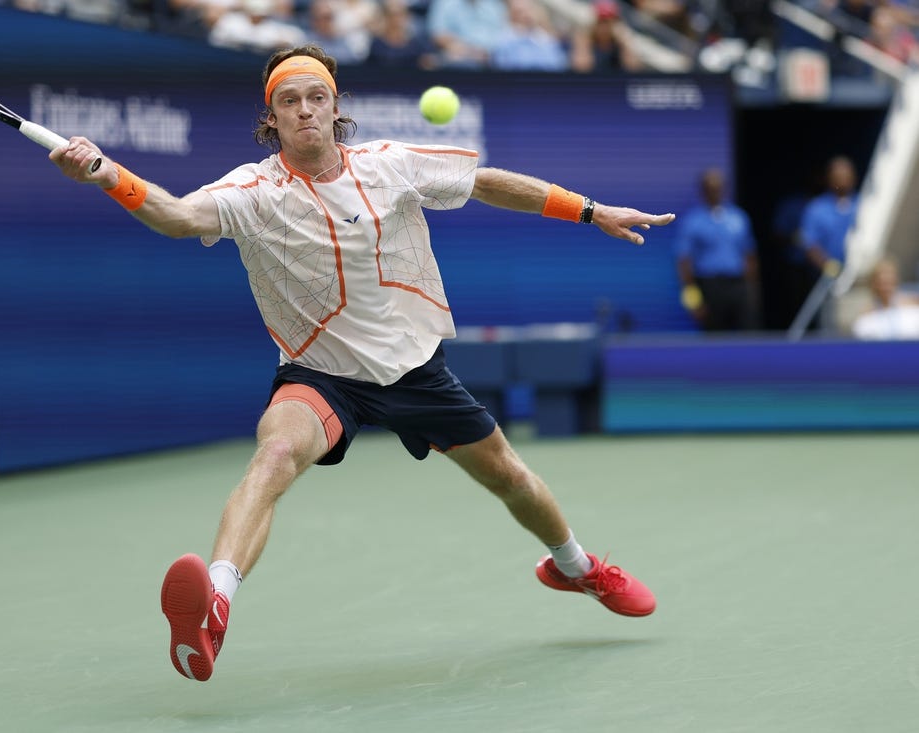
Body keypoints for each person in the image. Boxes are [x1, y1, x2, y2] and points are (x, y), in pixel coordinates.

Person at [50, 44, 674, 681]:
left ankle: (576, 568)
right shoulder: (252, 190)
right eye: (288, 101)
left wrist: (591, 211)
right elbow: (178, 216)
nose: (304, 111)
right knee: (273, 457)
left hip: (413, 369)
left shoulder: (388, 165)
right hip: (320, 374)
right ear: (272, 118)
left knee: (510, 477)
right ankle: (214, 603)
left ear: (334, 105)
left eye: (314, 97)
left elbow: (485, 182)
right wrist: (108, 175)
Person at [674, 167, 760, 331]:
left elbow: (750, 256)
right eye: (710, 188)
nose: (715, 191)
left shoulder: (739, 217)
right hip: (710, 286)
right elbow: (684, 261)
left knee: (747, 333)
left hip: (737, 284)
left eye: (718, 187)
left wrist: (752, 290)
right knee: (714, 336)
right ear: (703, 190)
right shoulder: (693, 221)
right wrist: (693, 298)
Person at [798, 155, 859, 331]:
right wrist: (827, 265)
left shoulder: (863, 204)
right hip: (827, 279)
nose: (842, 181)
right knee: (830, 325)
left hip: (859, 279)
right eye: (837, 177)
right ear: (829, 179)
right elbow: (808, 243)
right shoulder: (816, 208)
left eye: (846, 176)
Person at [851, 257, 919, 339]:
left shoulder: (912, 310)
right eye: (882, 283)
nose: (886, 288)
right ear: (874, 284)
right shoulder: (865, 319)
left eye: (890, 282)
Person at [571, 0, 643, 73]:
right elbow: (582, 69)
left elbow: (634, 69)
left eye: (609, 22)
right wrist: (584, 46)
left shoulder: (619, 42)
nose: (605, 27)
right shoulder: (586, 39)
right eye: (601, 21)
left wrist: (625, 43)